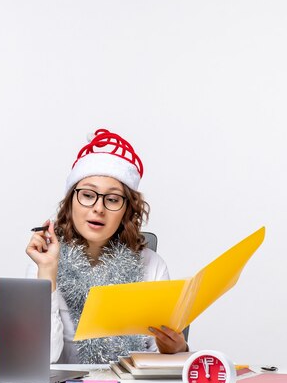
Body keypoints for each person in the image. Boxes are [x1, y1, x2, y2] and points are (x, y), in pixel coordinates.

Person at [26, 129, 188, 364]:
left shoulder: (152, 265)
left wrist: (178, 347)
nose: (98, 208)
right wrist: (48, 272)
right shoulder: (44, 261)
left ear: (126, 211)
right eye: (88, 195)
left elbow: (161, 358)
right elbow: (43, 358)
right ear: (70, 202)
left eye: (112, 199)